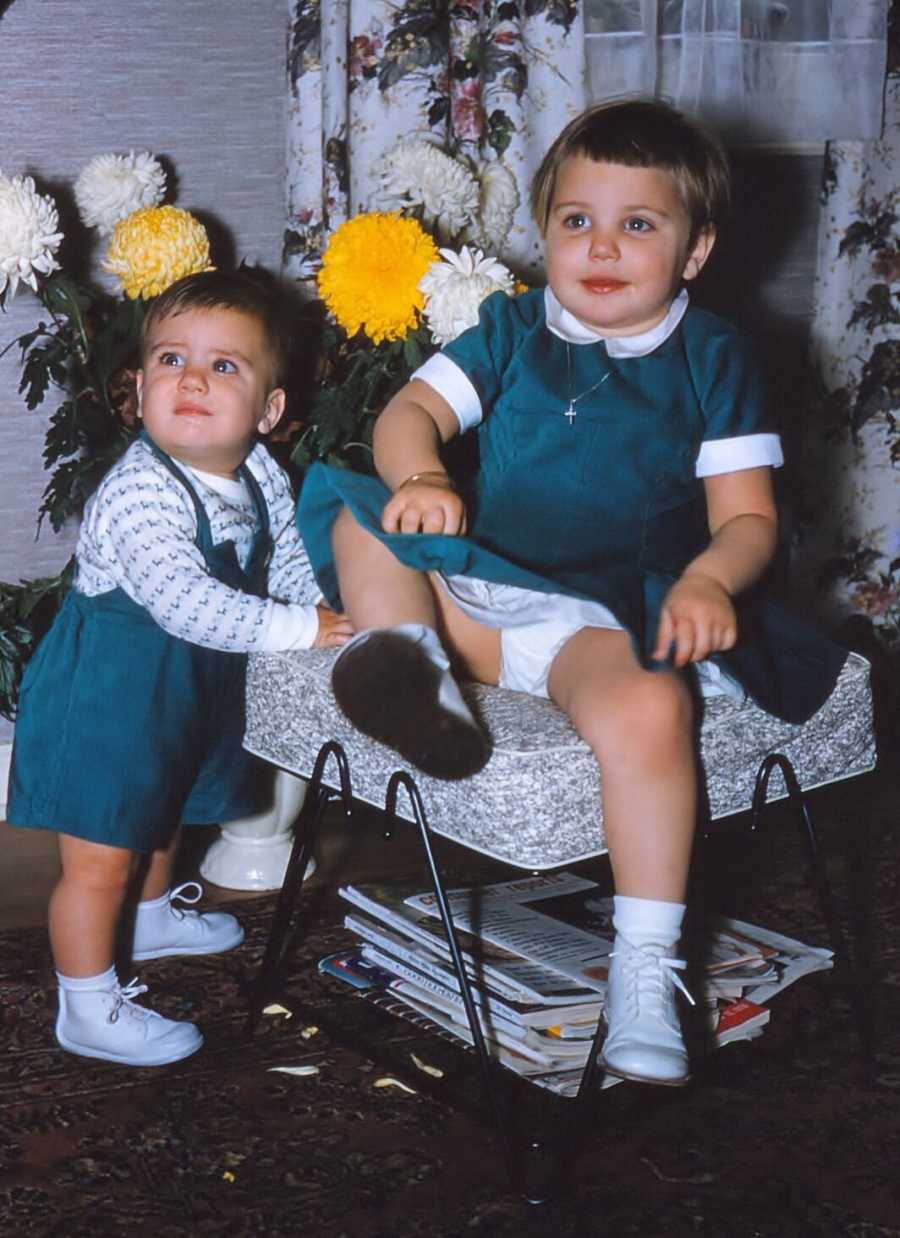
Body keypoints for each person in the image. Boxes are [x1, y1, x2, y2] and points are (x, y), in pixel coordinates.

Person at [295, 99, 848, 1087]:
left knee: (649, 703)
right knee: (355, 507)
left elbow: (749, 516)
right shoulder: (511, 327)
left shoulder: (712, 358)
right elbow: (409, 411)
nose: (601, 245)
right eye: (576, 219)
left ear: (694, 251)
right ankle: (411, 670)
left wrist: (711, 579)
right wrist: (423, 475)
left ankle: (645, 965)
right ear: (545, 229)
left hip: (604, 610)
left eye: (639, 224)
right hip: (482, 590)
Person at [6, 268, 353, 1067]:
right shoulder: (138, 493)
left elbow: (290, 561)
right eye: (170, 359)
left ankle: (154, 914)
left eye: (223, 366)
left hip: (182, 688)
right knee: (101, 856)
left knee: (164, 811)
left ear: (269, 411)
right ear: (139, 383)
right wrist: (302, 629)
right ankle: (87, 1005)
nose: (191, 378)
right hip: (108, 694)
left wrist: (325, 617)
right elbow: (186, 604)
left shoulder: (262, 476)